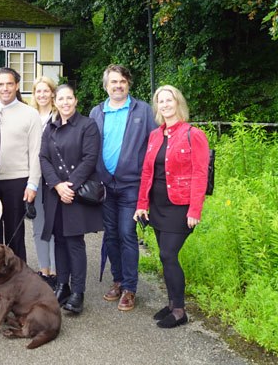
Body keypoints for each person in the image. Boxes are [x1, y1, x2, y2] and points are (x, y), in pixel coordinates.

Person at [135, 85, 208, 329]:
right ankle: (171, 302)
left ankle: (179, 311)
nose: (165, 105)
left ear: (178, 103)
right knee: (164, 257)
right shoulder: (155, 135)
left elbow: (200, 174)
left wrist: (194, 210)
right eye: (161, 101)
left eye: (169, 100)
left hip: (180, 206)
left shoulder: (193, 134)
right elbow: (147, 171)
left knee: (169, 254)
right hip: (157, 205)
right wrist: (142, 204)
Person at [89, 64, 156, 312]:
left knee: (127, 234)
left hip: (131, 184)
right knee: (111, 234)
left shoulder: (143, 110)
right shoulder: (97, 112)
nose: (118, 85)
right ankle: (117, 280)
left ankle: (130, 287)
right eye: (113, 82)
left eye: (122, 81)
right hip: (105, 184)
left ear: (128, 84)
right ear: (106, 86)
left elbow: (153, 146)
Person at [39, 84, 103, 314]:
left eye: (69, 98)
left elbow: (90, 158)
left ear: (75, 100)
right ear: (55, 102)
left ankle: (78, 292)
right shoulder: (50, 128)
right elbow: (43, 158)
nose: (65, 103)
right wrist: (56, 185)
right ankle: (62, 285)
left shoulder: (88, 125)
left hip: (75, 193)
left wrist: (69, 186)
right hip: (55, 193)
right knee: (59, 240)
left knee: (75, 242)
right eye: (61, 99)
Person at [0, 68, 42, 264]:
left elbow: (36, 151)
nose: (5, 88)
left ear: (17, 85)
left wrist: (33, 183)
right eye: (0, 84)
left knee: (15, 235)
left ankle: (18, 280)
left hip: (17, 181)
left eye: (9, 84)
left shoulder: (30, 114)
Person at [28, 77, 58, 285]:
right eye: (38, 91)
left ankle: (56, 270)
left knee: (54, 225)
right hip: (35, 177)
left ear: (52, 93)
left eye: (46, 91)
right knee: (38, 226)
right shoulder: (30, 116)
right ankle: (43, 269)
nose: (42, 94)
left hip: (55, 178)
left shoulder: (60, 116)